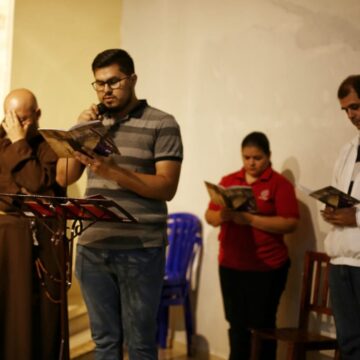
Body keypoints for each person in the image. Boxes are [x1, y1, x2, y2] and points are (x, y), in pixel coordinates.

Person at [56, 48, 183, 360]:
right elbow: (63, 177)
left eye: (113, 82)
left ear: (133, 79)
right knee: (105, 344)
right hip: (92, 246)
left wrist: (110, 170)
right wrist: (77, 130)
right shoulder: (93, 125)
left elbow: (167, 187)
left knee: (140, 344)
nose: (106, 90)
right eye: (99, 84)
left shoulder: (162, 124)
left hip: (140, 247)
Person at [205, 131, 299, 360]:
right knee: (236, 324)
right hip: (231, 264)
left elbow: (290, 223)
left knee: (263, 327)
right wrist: (223, 216)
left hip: (267, 267)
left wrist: (250, 220)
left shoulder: (279, 184)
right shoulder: (229, 180)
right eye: (246, 157)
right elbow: (210, 216)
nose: (251, 163)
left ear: (268, 156)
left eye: (256, 158)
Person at [0, 88, 65, 360]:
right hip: (4, 238)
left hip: (38, 240)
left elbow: (39, 187)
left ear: (37, 114)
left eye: (24, 120)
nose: (17, 127)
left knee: (34, 317)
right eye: (11, 120)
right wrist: (20, 190)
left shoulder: (49, 145)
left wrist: (18, 143)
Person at [321, 75, 360, 360]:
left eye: (356, 107)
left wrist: (355, 218)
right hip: (340, 260)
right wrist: (333, 212)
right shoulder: (347, 150)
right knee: (348, 345)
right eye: (346, 109)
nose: (351, 115)